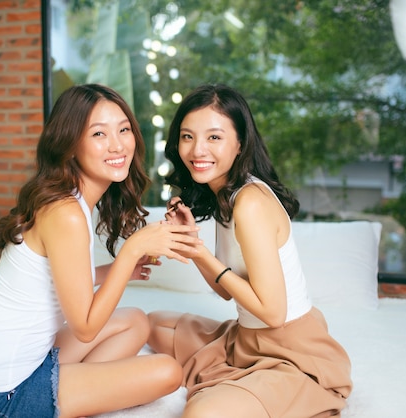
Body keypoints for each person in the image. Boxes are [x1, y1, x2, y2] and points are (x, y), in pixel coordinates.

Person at [0, 84, 203, 418]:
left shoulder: (67, 199)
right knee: (167, 372)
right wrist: (130, 251)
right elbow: (85, 327)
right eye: (99, 133)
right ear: (70, 145)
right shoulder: (66, 212)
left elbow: (51, 279)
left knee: (136, 322)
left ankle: (77, 391)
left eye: (124, 129)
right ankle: (72, 395)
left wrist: (117, 270)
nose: (117, 144)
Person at [148, 84, 353, 418]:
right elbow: (225, 292)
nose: (198, 150)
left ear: (240, 143)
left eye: (214, 137)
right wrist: (190, 240)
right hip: (247, 339)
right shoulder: (226, 195)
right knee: (153, 325)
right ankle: (242, 380)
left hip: (291, 351)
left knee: (201, 414)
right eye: (188, 136)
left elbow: (272, 314)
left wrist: (202, 256)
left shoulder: (250, 203)